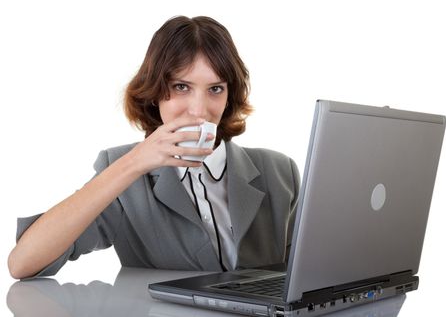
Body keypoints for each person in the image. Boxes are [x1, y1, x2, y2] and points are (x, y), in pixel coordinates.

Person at [8, 16, 300, 279]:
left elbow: (308, 276)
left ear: (229, 96)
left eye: (215, 89)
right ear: (154, 92)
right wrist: (134, 163)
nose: (199, 111)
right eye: (181, 87)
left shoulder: (278, 170)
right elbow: (23, 263)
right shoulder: (123, 170)